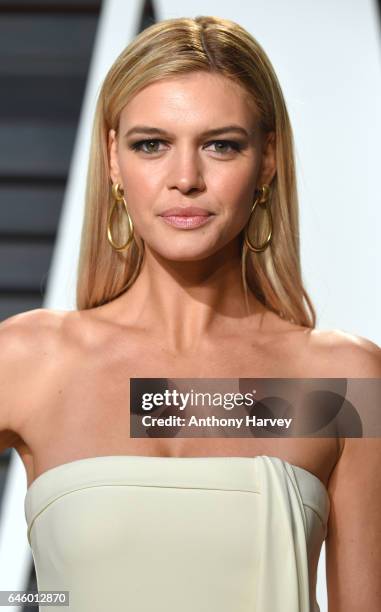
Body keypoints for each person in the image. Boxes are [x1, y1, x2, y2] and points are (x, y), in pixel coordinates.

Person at [0, 14, 380, 612]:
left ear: (268, 160)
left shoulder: (342, 380)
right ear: (113, 161)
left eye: (220, 145)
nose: (185, 179)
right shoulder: (27, 361)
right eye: (151, 144)